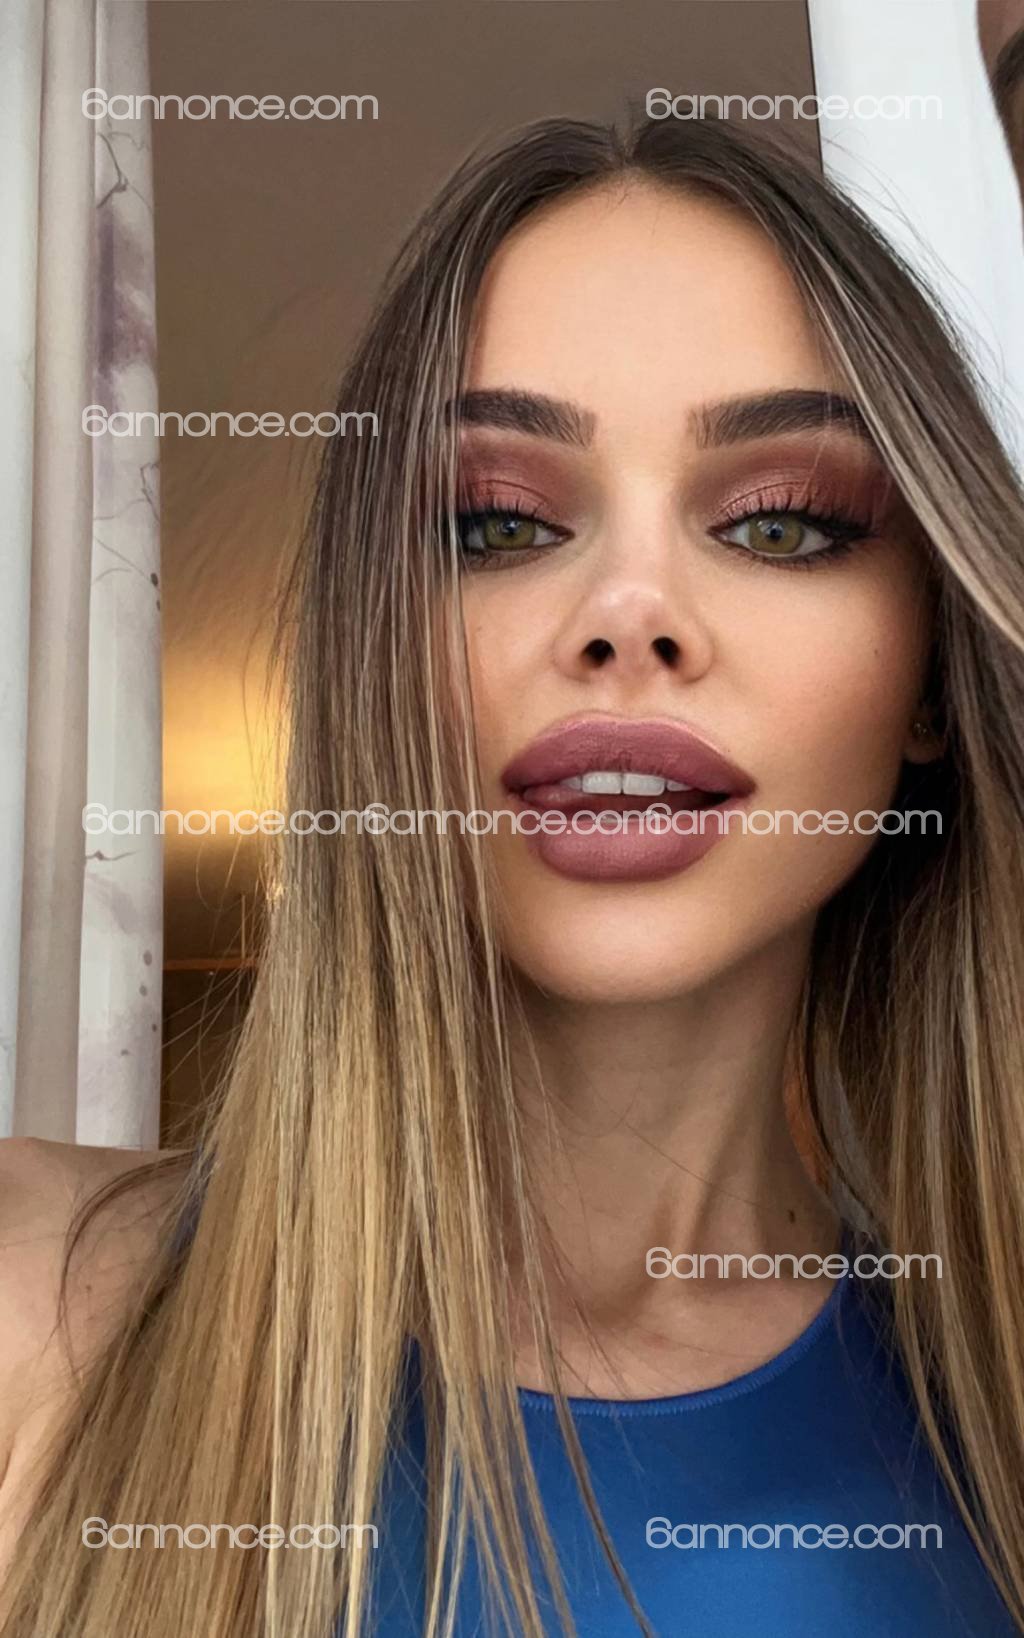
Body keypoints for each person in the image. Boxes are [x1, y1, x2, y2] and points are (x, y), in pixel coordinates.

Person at [1, 113, 1022, 1638]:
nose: (629, 610)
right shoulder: (34, 1308)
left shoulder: (994, 1417)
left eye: (779, 521)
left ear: (931, 672)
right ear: (372, 654)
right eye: (497, 521)